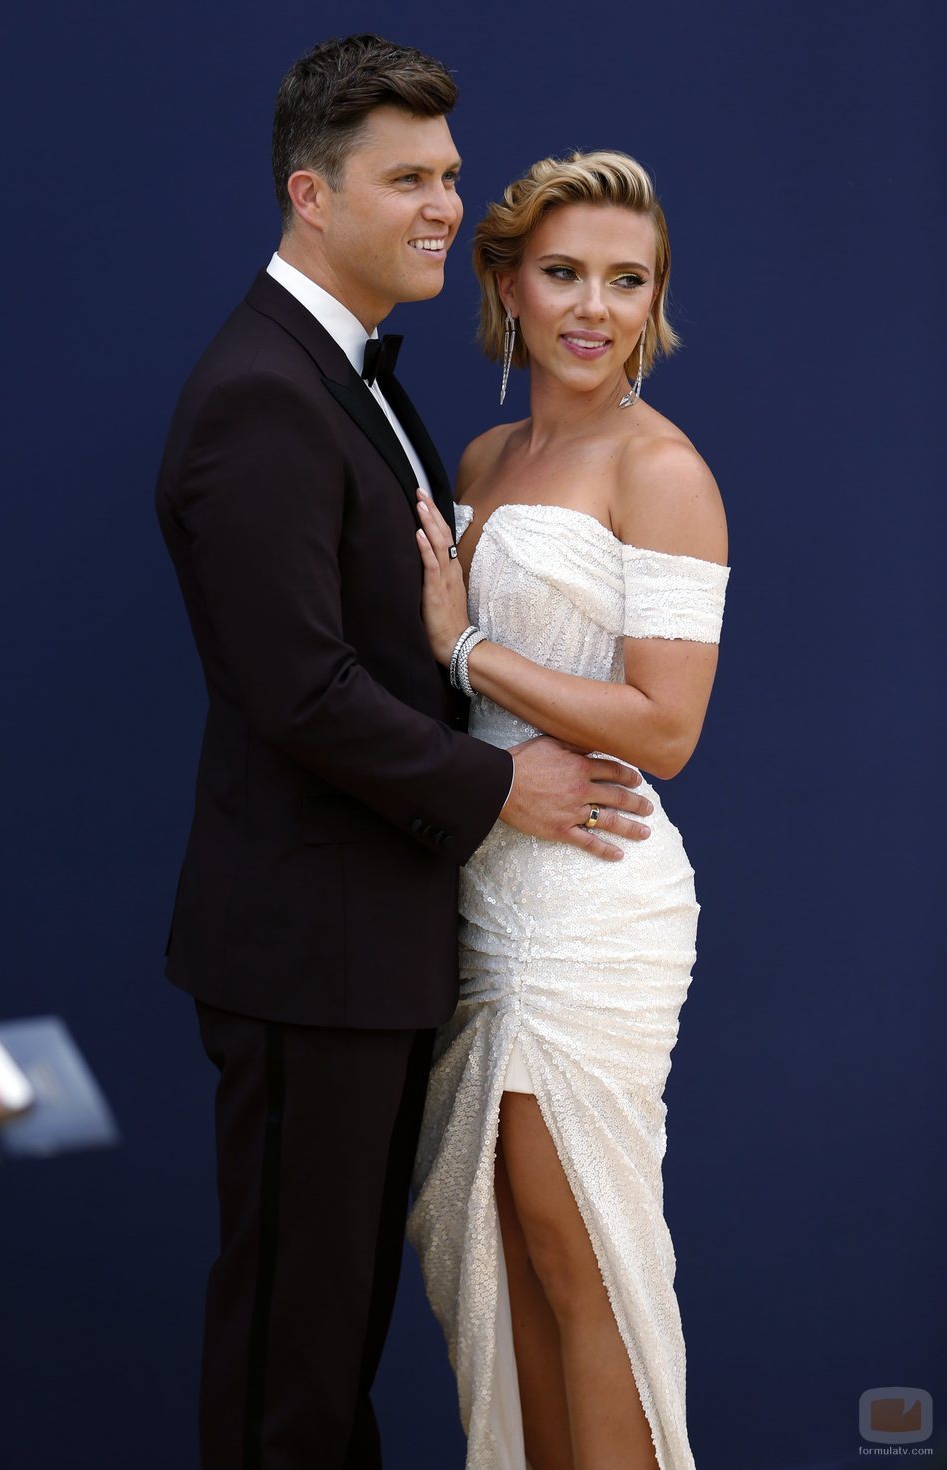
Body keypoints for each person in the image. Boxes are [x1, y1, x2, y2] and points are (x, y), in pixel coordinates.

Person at [155, 40, 654, 1470]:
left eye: (448, 173)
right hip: (304, 948)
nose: (445, 203)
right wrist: (507, 784)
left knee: (336, 1343)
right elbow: (300, 690)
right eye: (409, 178)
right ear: (312, 194)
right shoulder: (263, 391)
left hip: (369, 939)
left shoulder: (347, 372)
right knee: (291, 1369)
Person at [408, 151, 729, 1470]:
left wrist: (466, 647)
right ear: (507, 285)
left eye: (625, 279)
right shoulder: (490, 448)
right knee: (499, 1250)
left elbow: (669, 725)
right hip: (485, 873)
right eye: (563, 273)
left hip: (593, 887)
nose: (593, 305)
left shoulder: (663, 469)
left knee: (572, 1240)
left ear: (654, 300)